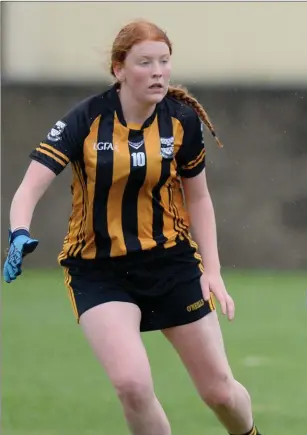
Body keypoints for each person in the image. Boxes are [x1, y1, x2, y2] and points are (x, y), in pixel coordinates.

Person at [3, 20, 262, 435]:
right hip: (98, 269)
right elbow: (28, 188)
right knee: (131, 386)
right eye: (145, 62)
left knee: (219, 392)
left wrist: (211, 271)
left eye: (164, 61)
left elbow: (199, 198)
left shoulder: (181, 122)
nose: (158, 71)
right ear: (119, 69)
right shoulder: (85, 119)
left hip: (171, 263)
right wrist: (18, 232)